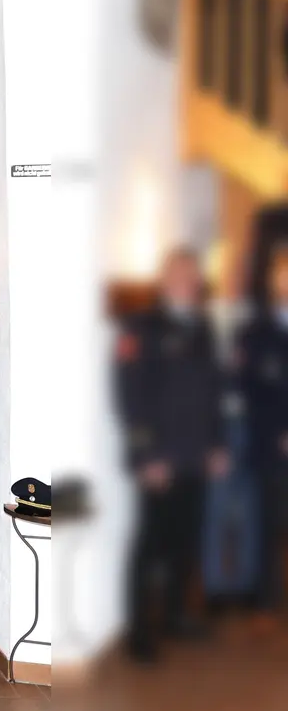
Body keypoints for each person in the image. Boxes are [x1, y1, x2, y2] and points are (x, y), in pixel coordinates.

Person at [114, 248, 227, 662]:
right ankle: (140, 633)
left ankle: (177, 615)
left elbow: (214, 392)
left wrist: (216, 445)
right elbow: (131, 395)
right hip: (160, 459)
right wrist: (147, 457)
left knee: (187, 539)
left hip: (197, 455)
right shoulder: (142, 327)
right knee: (151, 544)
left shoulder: (202, 328)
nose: (186, 282)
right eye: (178, 275)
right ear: (165, 280)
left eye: (191, 275)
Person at [238, 246, 288, 620]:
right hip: (272, 446)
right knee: (269, 524)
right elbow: (249, 391)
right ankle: (268, 600)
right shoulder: (254, 334)